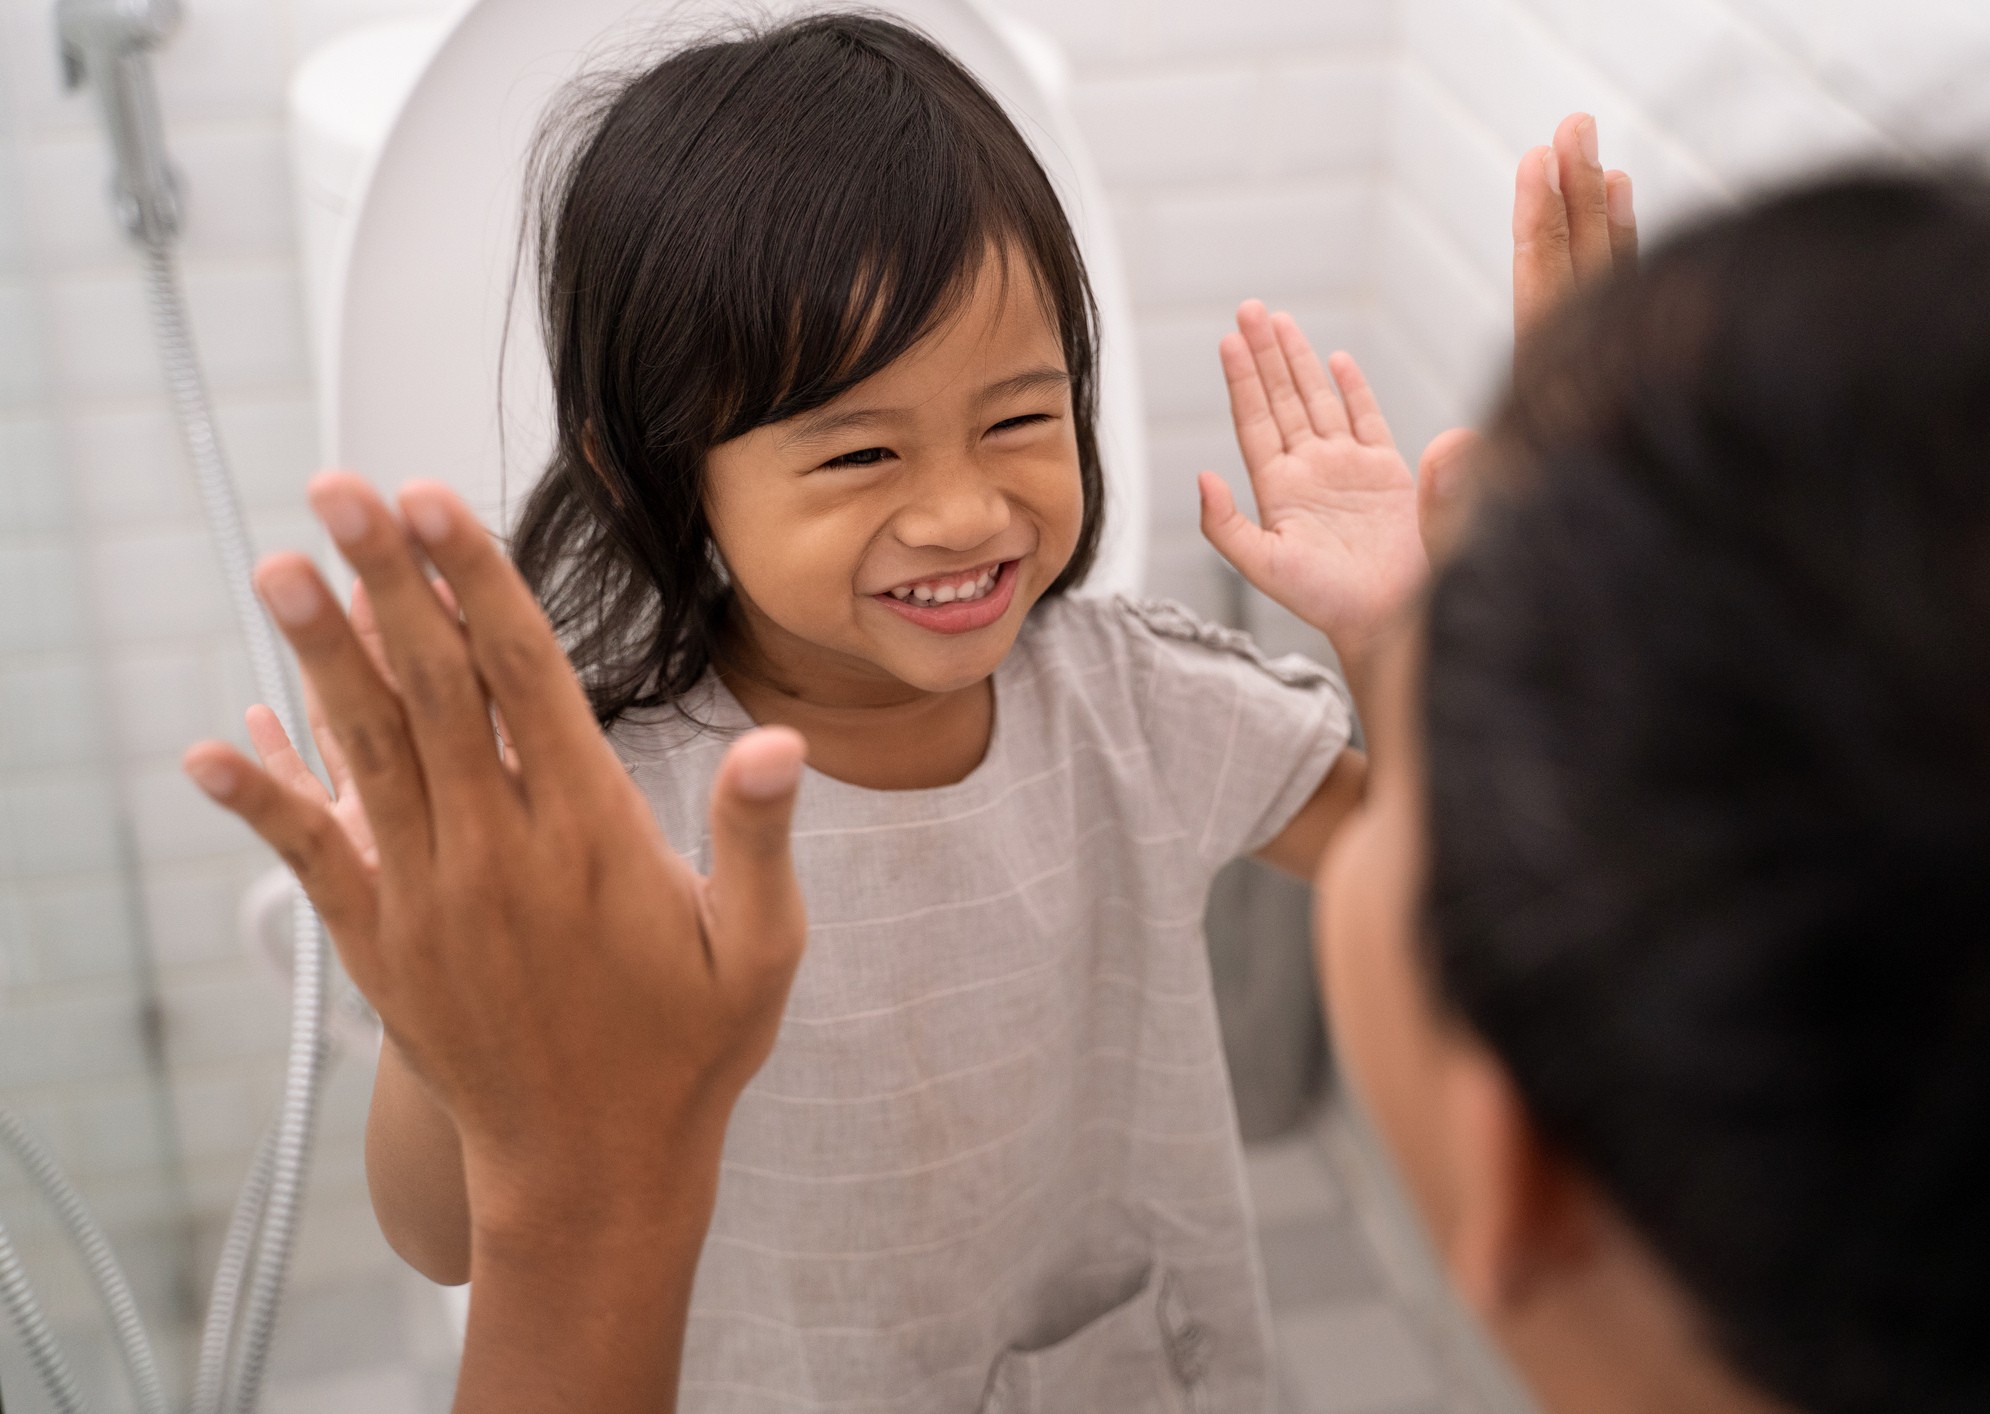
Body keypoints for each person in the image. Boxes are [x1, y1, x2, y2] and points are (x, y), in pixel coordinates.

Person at [188, 13, 1562, 1411]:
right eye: (858, 449)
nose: (967, 508)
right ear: (661, 472)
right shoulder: (601, 808)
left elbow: (1477, 886)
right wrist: (438, 1019)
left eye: (1022, 419)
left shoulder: (1135, 706)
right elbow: (439, 1238)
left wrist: (1417, 646)